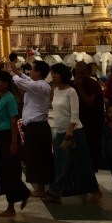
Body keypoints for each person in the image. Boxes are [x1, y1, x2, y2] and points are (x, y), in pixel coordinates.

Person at [44, 63, 101, 204]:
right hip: (60, 131)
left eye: (55, 73)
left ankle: (95, 189)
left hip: (74, 132)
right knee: (60, 163)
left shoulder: (71, 92)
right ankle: (56, 193)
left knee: (83, 163)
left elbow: (75, 115)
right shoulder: (56, 90)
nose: (53, 76)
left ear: (63, 75)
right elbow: (57, 112)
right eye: (52, 73)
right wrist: (56, 132)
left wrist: (70, 133)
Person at [10, 58, 54, 198]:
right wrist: (18, 72)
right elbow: (27, 80)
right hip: (34, 127)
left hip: (38, 128)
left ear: (39, 73)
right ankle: (41, 187)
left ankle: (41, 188)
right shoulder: (38, 84)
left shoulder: (41, 86)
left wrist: (13, 74)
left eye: (32, 70)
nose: (30, 72)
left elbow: (22, 83)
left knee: (38, 158)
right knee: (34, 157)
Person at [0, 69, 30, 217]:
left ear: (6, 84)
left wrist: (14, 142)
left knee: (9, 170)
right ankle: (21, 194)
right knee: (0, 170)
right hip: (0, 137)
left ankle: (12, 205)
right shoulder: (0, 97)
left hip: (8, 137)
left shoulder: (10, 98)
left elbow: (14, 120)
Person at [72, 61, 104, 171]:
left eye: (82, 73)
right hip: (78, 121)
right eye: (77, 73)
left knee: (91, 148)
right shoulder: (72, 84)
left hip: (92, 122)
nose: (79, 76)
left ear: (88, 72)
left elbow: (89, 102)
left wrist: (80, 87)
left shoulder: (93, 84)